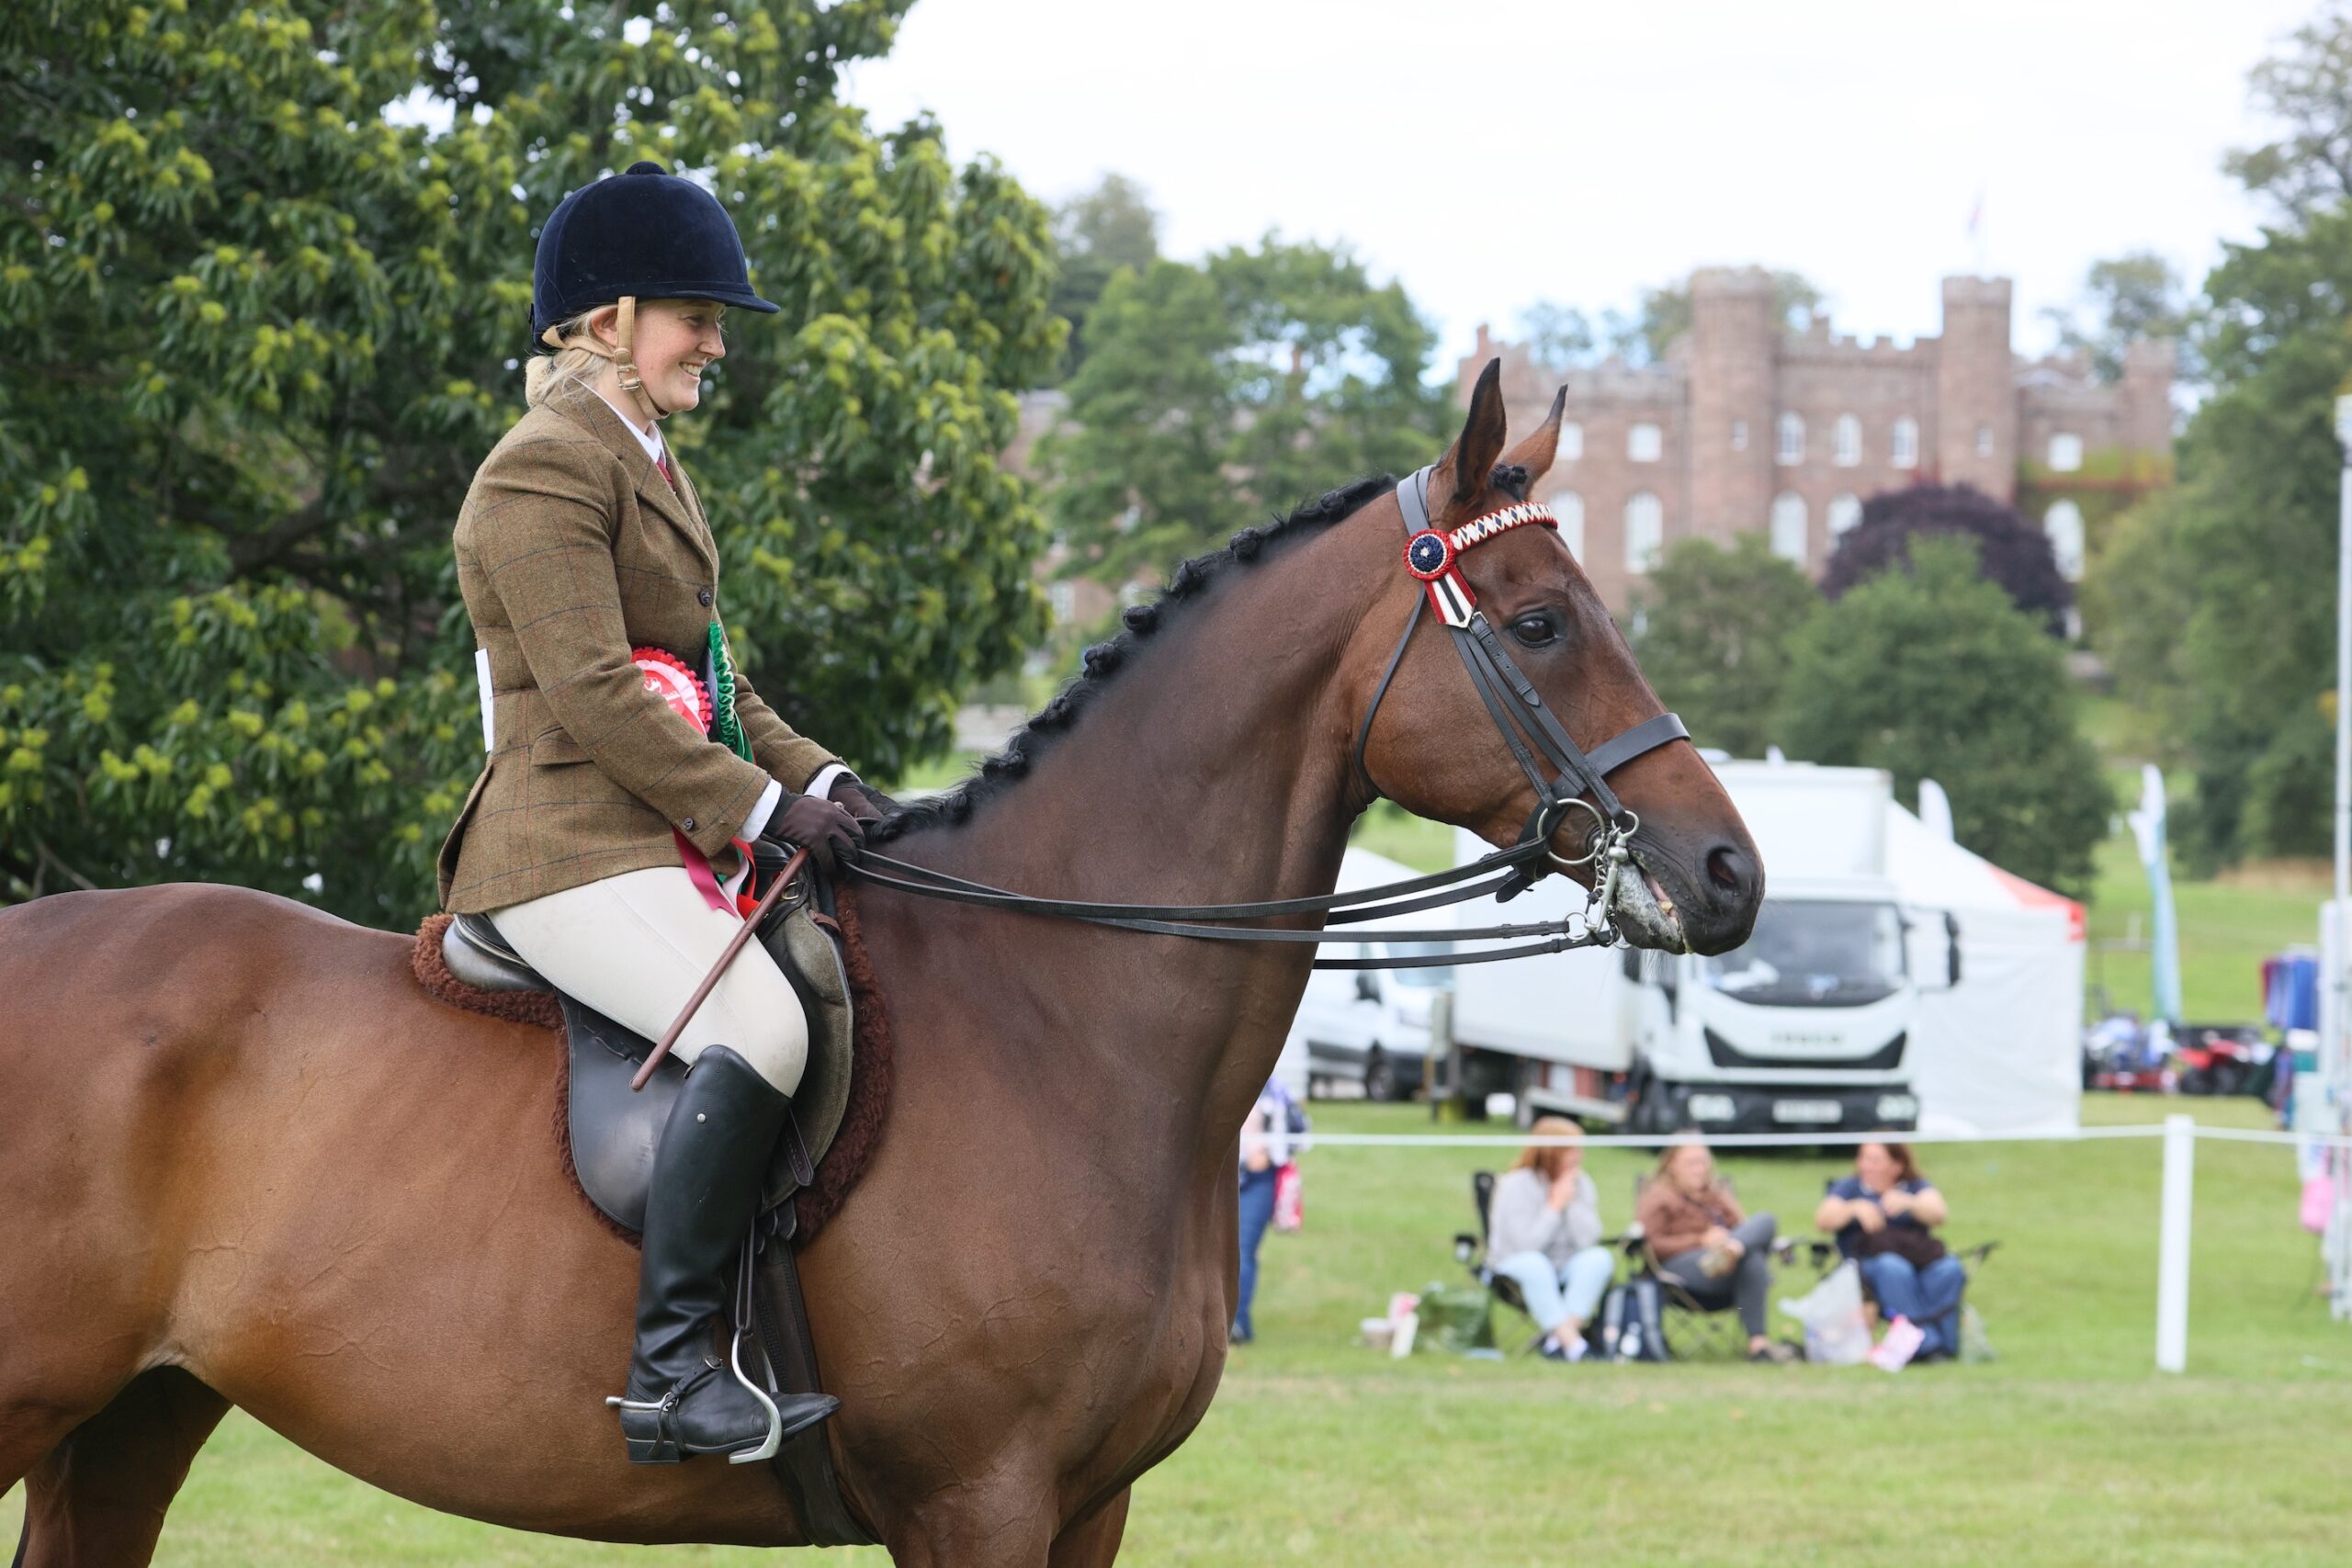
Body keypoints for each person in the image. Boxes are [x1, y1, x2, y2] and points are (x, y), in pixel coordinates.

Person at [436, 161, 888, 1465]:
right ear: (608, 319)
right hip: (562, 845)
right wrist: (760, 806)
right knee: (762, 1025)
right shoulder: (542, 470)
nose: (715, 343)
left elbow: (711, 685)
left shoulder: (646, 463)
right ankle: (672, 1372)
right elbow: (594, 694)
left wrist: (828, 785)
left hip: (651, 833)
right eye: (696, 317)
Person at [1636, 1140, 1793, 1362]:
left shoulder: (1716, 1195)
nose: (1699, 1169)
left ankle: (1759, 1346)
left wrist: (1729, 1241)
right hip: (1682, 1271)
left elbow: (1745, 1226)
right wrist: (1700, 1241)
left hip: (1730, 1268)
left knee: (1765, 1223)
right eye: (1691, 1163)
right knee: (1752, 1256)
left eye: (1703, 1162)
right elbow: (1652, 1244)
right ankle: (1758, 1344)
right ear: (1671, 1165)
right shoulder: (1659, 1196)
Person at [1815, 1142, 1965, 1360]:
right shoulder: (1850, 1188)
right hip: (1869, 1264)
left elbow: (1940, 1214)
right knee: (1893, 1268)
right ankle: (1925, 1344)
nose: (1866, 1165)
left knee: (1949, 1268)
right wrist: (1853, 1208)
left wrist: (1911, 1204)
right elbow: (1822, 1220)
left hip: (1919, 1260)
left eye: (1875, 1160)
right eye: (1863, 1158)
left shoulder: (1914, 1187)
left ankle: (1946, 1345)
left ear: (1896, 1166)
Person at [1487, 1118, 1616, 1361]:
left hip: (1565, 1267)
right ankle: (1575, 1346)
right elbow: (1525, 1246)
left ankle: (1558, 1341)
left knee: (1599, 1258)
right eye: (1572, 1150)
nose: (1579, 1156)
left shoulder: (1581, 1183)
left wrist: (1571, 1202)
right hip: (1515, 1266)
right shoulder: (1515, 1185)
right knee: (1535, 1264)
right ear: (1551, 1153)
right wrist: (1554, 1207)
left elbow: (1589, 1240)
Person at [1232, 1077, 1297, 1344]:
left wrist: (1269, 1152)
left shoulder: (1275, 1090)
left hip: (1258, 1182)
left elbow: (1300, 1130)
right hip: (1215, 1179)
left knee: (1243, 1249)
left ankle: (1237, 1323)